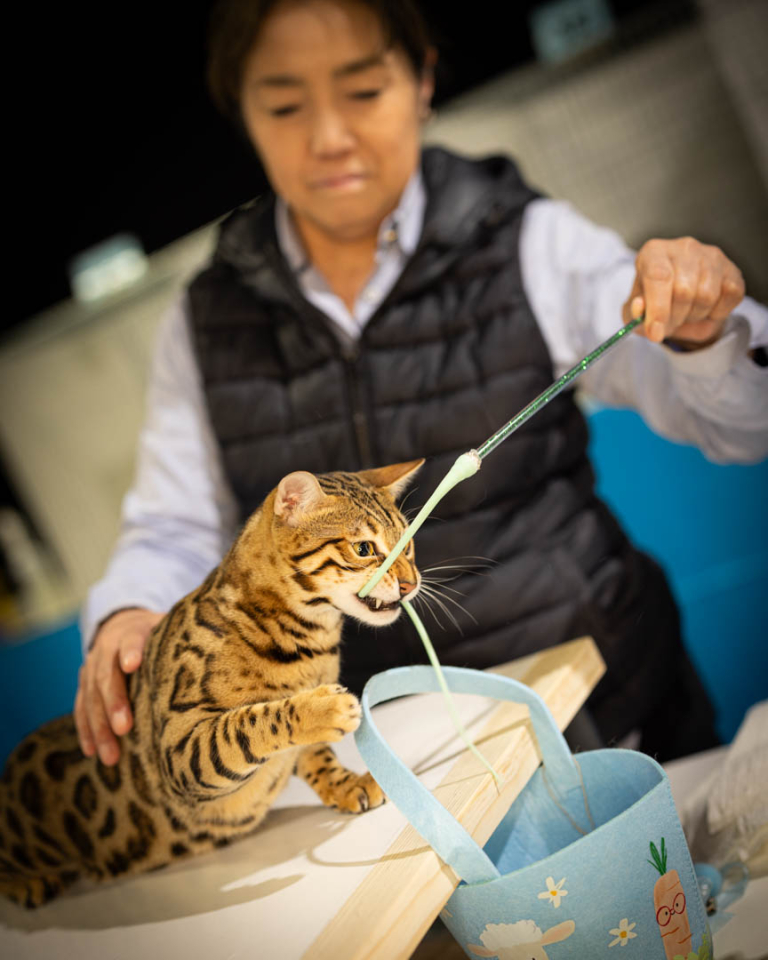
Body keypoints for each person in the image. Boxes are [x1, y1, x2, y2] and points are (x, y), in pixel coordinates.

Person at [74, 0, 768, 771]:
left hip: (614, 719)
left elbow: (745, 424)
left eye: (364, 92)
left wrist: (704, 332)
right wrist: (129, 615)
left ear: (423, 82)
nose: (329, 136)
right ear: (243, 111)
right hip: (393, 766)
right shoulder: (204, 322)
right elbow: (174, 529)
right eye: (283, 104)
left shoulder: (526, 240)